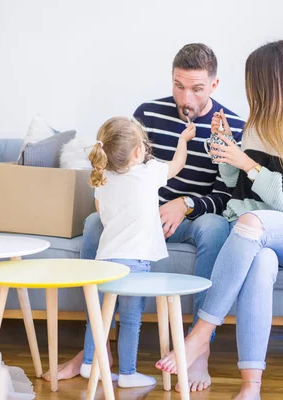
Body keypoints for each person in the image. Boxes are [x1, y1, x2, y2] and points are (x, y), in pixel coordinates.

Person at [44, 43, 244, 392]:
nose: (186, 97)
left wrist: (185, 204)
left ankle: (198, 350)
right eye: (179, 86)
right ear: (171, 79)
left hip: (191, 217)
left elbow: (227, 195)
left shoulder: (232, 125)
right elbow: (121, 172)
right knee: (93, 225)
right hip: (139, 220)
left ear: (213, 85)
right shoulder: (147, 115)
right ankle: (96, 348)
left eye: (196, 88)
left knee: (215, 228)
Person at [155, 40, 283, 400]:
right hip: (260, 236)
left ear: (274, 84)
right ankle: (250, 386)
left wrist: (247, 162)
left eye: (254, 83)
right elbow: (236, 187)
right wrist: (224, 149)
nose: (250, 91)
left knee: (251, 223)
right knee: (260, 261)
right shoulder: (257, 125)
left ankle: (197, 337)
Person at [82, 116, 195, 388]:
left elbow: (101, 213)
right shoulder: (148, 172)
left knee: (100, 318)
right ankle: (129, 373)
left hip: (104, 259)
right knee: (130, 320)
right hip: (135, 262)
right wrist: (183, 140)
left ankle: (89, 364)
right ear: (137, 152)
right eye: (144, 144)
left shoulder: (102, 178)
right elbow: (178, 164)